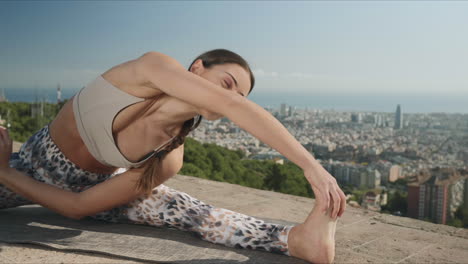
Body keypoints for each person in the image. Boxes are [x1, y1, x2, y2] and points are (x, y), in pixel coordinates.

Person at [0, 49, 346, 263]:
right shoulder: (151, 68)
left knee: (183, 209)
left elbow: (77, 208)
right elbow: (232, 106)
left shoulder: (169, 156)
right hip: (29, 164)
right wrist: (311, 167)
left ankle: (296, 240)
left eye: (240, 95)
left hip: (87, 188)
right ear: (196, 68)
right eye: (227, 83)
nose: (231, 99)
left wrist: (5, 175)